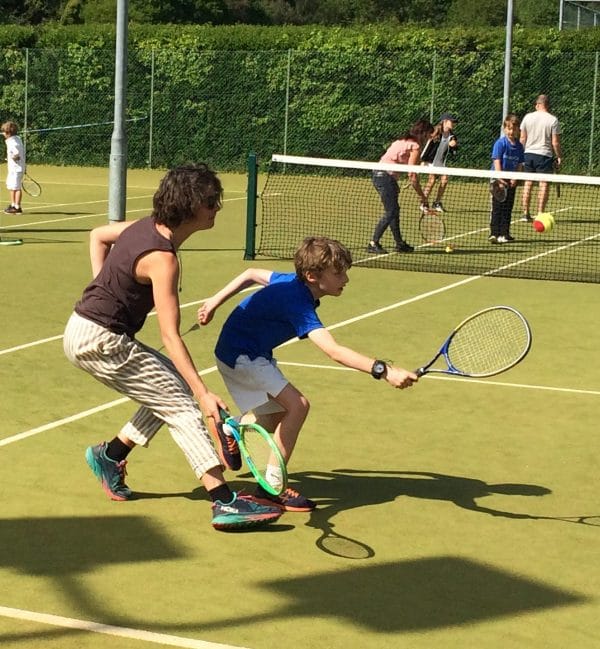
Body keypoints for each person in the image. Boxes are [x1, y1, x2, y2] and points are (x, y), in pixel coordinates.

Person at [63, 164, 282, 531]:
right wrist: (204, 394)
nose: (216, 208)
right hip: (101, 341)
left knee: (170, 388)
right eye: (211, 202)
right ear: (190, 207)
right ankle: (224, 500)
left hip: (85, 328)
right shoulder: (163, 260)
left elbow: (98, 235)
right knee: (182, 405)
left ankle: (111, 455)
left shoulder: (143, 226)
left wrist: (101, 287)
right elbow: (170, 335)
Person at [198, 236, 418, 512]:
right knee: (298, 405)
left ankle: (231, 427)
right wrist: (384, 370)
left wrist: (214, 301)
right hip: (242, 356)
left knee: (278, 415)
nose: (345, 279)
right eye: (338, 273)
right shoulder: (298, 302)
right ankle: (271, 488)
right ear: (312, 276)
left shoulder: (290, 281)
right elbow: (334, 351)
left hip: (242, 350)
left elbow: (251, 273)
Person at [367, 119, 433, 255]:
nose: (428, 138)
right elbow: (412, 174)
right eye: (428, 135)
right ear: (424, 133)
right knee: (391, 211)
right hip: (384, 177)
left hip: (381, 176)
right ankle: (373, 243)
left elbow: (402, 163)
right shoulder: (414, 146)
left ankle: (399, 243)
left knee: (394, 210)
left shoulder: (400, 141)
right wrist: (423, 197)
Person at [519, 94, 562, 222]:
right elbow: (555, 143)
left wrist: (520, 155)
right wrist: (559, 156)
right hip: (544, 155)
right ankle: (540, 213)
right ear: (547, 105)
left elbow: (522, 138)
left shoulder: (527, 117)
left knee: (528, 183)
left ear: (538, 104)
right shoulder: (553, 120)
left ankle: (525, 213)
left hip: (528, 154)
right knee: (543, 184)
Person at [489, 114, 525, 244]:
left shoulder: (519, 146)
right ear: (504, 129)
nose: (511, 132)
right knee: (498, 207)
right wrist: (500, 179)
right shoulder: (500, 144)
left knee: (508, 207)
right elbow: (497, 161)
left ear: (518, 130)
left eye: (514, 129)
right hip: (498, 180)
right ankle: (494, 233)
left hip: (511, 180)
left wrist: (516, 178)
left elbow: (520, 164)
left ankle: (505, 233)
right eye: (509, 129)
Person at [421, 112, 459, 213]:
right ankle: (424, 203)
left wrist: (454, 146)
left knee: (444, 180)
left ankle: (437, 202)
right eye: (452, 121)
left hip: (442, 163)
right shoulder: (435, 133)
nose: (453, 124)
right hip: (431, 162)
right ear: (445, 122)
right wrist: (423, 160)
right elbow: (427, 147)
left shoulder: (453, 136)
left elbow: (454, 152)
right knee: (432, 181)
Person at [2, 121, 25, 214]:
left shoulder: (13, 142)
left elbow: (16, 155)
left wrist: (12, 157)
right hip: (13, 168)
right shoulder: (16, 139)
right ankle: (13, 205)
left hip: (16, 169)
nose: (3, 133)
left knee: (16, 187)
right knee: (11, 187)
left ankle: (17, 207)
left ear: (8, 133)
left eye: (4, 132)